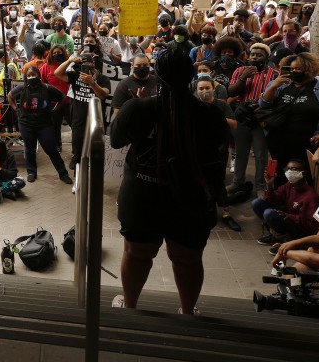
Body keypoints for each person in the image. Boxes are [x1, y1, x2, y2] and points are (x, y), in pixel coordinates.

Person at [109, 48, 229, 315]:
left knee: (137, 252)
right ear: (190, 76)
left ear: (156, 77)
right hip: (192, 197)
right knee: (188, 258)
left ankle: (129, 306)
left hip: (143, 193)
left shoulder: (140, 108)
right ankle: (187, 311)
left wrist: (136, 106)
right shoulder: (210, 114)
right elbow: (219, 147)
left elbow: (115, 139)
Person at [259, 53, 319, 186]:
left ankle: (303, 204)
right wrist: (273, 86)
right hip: (278, 141)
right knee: (281, 175)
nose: (294, 72)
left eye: (298, 69)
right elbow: (264, 104)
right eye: (291, 69)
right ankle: (282, 201)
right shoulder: (281, 84)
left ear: (308, 69)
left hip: (307, 143)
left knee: (305, 177)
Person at [8, 66, 72, 184]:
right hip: (26, 125)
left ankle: (63, 173)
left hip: (44, 125)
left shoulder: (47, 88)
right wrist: (16, 109)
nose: (31, 77)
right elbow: (10, 96)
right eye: (29, 75)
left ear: (38, 75)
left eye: (33, 74)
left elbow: (62, 97)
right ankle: (31, 172)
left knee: (51, 149)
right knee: (29, 149)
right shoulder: (22, 89)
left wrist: (55, 109)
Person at [228, 43, 278, 193]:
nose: (255, 57)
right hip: (242, 116)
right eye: (252, 54)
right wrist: (243, 79)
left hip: (261, 119)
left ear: (267, 57)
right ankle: (238, 182)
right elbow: (231, 92)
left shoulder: (274, 74)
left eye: (259, 55)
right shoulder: (240, 71)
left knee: (260, 155)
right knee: (241, 152)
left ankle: (260, 187)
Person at [194, 77, 241, 232]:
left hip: (218, 153)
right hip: (198, 153)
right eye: (200, 88)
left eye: (207, 87)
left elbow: (234, 124)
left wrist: (216, 115)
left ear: (213, 88)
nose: (204, 91)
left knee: (218, 182)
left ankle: (226, 214)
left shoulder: (222, 105)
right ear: (196, 91)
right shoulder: (193, 106)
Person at [53, 51, 111, 171]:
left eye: (88, 63)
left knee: (95, 140)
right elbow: (57, 73)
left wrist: (92, 83)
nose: (85, 66)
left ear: (93, 63)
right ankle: (77, 159)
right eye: (83, 63)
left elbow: (104, 95)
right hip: (78, 115)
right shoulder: (76, 75)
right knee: (78, 138)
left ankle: (94, 162)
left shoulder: (103, 78)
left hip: (96, 116)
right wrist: (70, 61)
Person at [253, 159, 319, 253]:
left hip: (301, 230)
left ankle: (289, 243)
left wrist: (292, 217)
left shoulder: (311, 196)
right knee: (257, 203)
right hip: (288, 219)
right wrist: (269, 184)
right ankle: (277, 236)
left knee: (269, 213)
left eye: (294, 169)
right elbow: (272, 199)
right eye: (288, 169)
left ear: (303, 173)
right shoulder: (289, 185)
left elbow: (314, 228)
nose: (290, 172)